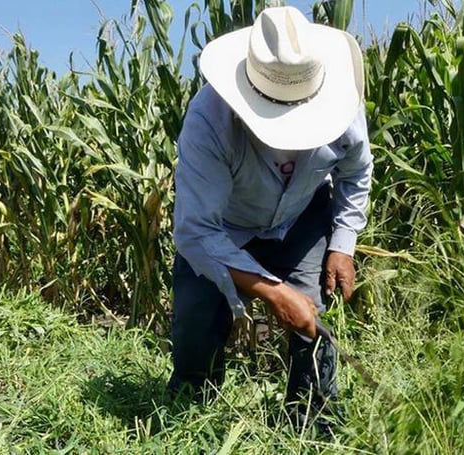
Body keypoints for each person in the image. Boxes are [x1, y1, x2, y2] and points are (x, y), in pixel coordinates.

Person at [168, 5, 372, 434]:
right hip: (222, 228)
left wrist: (342, 242)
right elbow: (195, 231)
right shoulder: (209, 120)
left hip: (300, 218)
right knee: (195, 330)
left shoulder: (341, 105)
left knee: (314, 321)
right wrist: (275, 293)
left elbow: (356, 171)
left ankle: (312, 423)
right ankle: (191, 415)